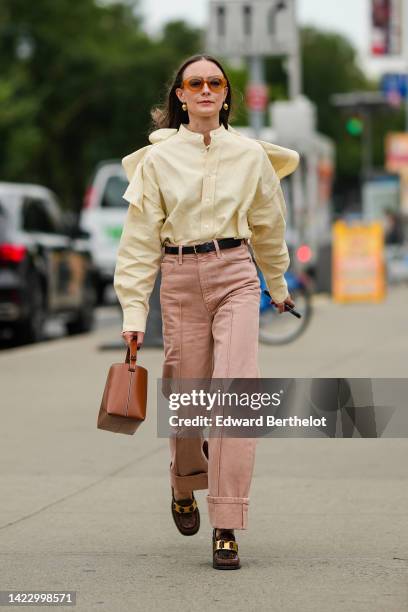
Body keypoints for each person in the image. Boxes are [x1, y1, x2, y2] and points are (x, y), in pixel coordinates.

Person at [113, 53, 299, 570]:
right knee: (189, 394)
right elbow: (137, 243)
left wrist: (278, 285)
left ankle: (227, 523)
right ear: (179, 94)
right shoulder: (156, 161)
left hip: (236, 273)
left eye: (215, 82)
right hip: (178, 278)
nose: (205, 90)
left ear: (225, 93)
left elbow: (268, 227)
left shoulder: (250, 155)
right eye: (194, 82)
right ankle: (183, 482)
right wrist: (133, 313)